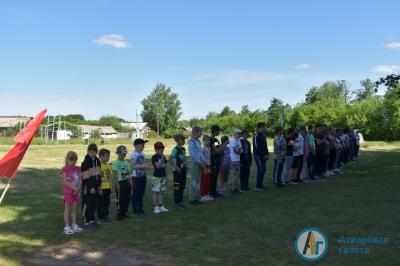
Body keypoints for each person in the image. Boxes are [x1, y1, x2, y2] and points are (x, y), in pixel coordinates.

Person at [62, 151, 84, 235]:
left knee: (74, 209)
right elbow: (65, 182)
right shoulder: (65, 169)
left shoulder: (78, 169)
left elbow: (80, 179)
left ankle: (74, 225)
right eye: (71, 160)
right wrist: (74, 188)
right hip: (68, 192)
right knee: (67, 209)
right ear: (67, 159)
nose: (73, 162)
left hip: (76, 192)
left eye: (74, 160)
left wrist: (78, 188)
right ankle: (67, 226)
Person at [81, 143, 101, 229]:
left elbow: (99, 175)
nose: (92, 153)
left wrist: (99, 186)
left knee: (94, 203)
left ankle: (91, 220)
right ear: (88, 152)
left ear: (96, 152)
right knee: (88, 203)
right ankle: (86, 221)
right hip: (88, 187)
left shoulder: (98, 161)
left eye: (94, 152)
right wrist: (90, 187)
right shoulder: (86, 162)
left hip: (96, 186)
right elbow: (85, 177)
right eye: (90, 152)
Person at [112, 145, 132, 220]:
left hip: (126, 182)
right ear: (117, 154)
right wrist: (117, 184)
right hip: (120, 182)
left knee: (127, 198)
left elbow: (129, 173)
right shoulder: (116, 163)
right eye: (121, 154)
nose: (123, 156)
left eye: (124, 154)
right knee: (120, 199)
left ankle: (124, 212)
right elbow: (114, 174)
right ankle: (119, 214)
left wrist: (130, 182)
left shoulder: (126, 162)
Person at [130, 138, 148, 216]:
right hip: (136, 177)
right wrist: (143, 166)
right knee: (136, 193)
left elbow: (145, 164)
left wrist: (146, 166)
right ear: (136, 145)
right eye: (142, 144)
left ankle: (140, 209)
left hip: (143, 176)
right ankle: (135, 210)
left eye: (144, 145)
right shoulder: (133, 154)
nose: (143, 146)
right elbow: (133, 166)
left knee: (141, 193)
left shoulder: (143, 154)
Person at [170, 134, 187, 209]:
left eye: (184, 139)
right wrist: (176, 167)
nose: (183, 141)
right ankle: (177, 202)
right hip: (177, 172)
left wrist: (186, 166)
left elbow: (183, 159)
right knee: (177, 187)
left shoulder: (183, 149)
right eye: (182, 139)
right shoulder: (175, 149)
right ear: (177, 141)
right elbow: (170, 160)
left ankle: (181, 201)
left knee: (182, 186)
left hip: (183, 170)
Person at [188, 127, 204, 205]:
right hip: (195, 163)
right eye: (200, 132)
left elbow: (200, 152)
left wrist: (203, 161)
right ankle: (191, 198)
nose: (201, 134)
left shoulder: (198, 141)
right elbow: (193, 154)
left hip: (199, 163)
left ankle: (195, 197)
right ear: (195, 132)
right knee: (193, 181)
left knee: (197, 181)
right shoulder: (191, 142)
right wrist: (199, 162)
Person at [151, 141, 169, 214]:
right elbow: (157, 166)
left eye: (162, 148)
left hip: (163, 177)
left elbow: (165, 167)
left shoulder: (163, 156)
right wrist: (161, 159)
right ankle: (156, 206)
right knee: (156, 192)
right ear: (155, 149)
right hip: (156, 177)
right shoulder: (154, 157)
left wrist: (167, 176)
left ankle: (161, 205)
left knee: (161, 192)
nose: (161, 150)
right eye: (159, 149)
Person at [253, 122, 269, 191]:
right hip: (258, 156)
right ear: (258, 128)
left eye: (264, 127)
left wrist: (267, 154)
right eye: (262, 127)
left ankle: (260, 184)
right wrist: (263, 155)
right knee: (261, 169)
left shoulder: (263, 136)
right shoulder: (256, 136)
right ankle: (257, 186)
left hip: (264, 156)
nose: (263, 129)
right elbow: (257, 148)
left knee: (263, 169)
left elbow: (265, 146)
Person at [98, 149, 112, 224]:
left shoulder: (108, 166)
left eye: (109, 156)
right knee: (101, 203)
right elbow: (98, 178)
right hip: (102, 188)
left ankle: (105, 216)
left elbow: (109, 177)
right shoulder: (99, 166)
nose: (108, 158)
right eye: (107, 156)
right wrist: (99, 188)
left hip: (107, 188)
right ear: (101, 157)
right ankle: (101, 217)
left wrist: (110, 186)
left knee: (107, 203)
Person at [209, 125, 223, 198]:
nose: (219, 132)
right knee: (213, 176)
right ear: (214, 131)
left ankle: (214, 191)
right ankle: (211, 192)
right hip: (213, 160)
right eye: (218, 131)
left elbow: (219, 149)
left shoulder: (215, 140)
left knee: (216, 175)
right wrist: (220, 149)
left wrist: (220, 149)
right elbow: (217, 150)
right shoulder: (211, 140)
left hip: (216, 159)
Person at [200, 135, 213, 202]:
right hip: (204, 166)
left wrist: (210, 167)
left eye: (209, 140)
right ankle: (202, 195)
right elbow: (202, 159)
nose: (208, 141)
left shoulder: (209, 148)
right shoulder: (202, 148)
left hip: (208, 165)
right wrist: (205, 168)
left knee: (207, 181)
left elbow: (209, 158)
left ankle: (206, 194)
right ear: (203, 141)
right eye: (207, 140)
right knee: (204, 181)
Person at [230, 129, 243, 193]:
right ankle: (233, 188)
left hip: (237, 159)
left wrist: (239, 151)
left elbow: (241, 151)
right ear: (234, 134)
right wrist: (239, 151)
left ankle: (234, 188)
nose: (239, 135)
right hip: (234, 159)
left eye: (240, 133)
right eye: (238, 133)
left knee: (237, 174)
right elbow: (236, 151)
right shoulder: (233, 141)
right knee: (237, 174)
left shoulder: (238, 141)